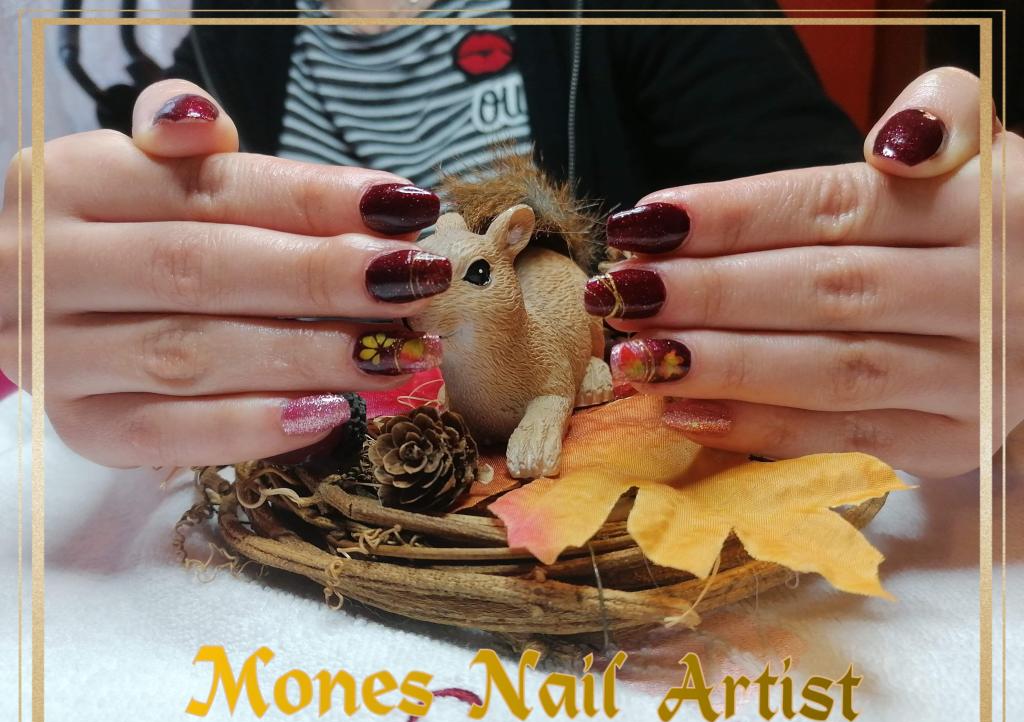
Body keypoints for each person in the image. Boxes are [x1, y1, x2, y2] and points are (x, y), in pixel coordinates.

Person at [0, 0, 1019, 478]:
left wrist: (943, 268)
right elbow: (166, 244)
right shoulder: (233, 27)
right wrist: (120, 278)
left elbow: (845, 240)